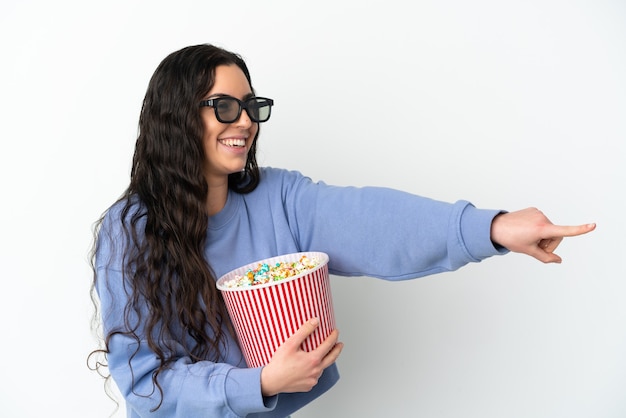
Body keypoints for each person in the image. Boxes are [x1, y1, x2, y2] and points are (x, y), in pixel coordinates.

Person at [89, 43, 595, 418]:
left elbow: (374, 222)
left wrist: (494, 227)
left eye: (251, 106)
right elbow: (143, 384)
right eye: (225, 106)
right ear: (177, 117)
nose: (245, 121)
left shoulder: (277, 196)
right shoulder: (128, 230)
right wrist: (257, 383)